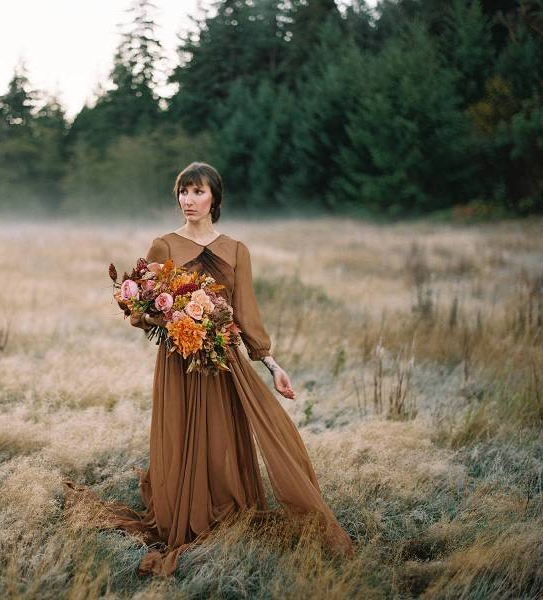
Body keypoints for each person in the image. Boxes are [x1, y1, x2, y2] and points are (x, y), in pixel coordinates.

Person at [62, 162, 354, 577]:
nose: (188, 200)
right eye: (182, 191)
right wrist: (162, 315)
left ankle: (226, 509)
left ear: (214, 197)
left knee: (223, 437)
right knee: (183, 435)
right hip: (180, 362)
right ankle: (187, 510)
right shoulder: (163, 245)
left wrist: (271, 364)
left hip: (223, 358)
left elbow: (246, 313)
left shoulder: (236, 250)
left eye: (197, 192)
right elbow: (142, 312)